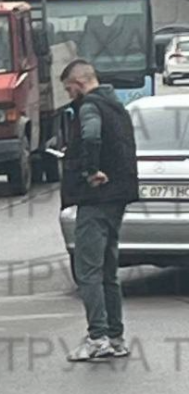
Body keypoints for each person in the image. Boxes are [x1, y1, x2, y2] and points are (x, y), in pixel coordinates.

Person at [59, 59, 138, 362]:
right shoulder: (116, 105)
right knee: (108, 271)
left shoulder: (89, 106)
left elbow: (91, 136)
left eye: (69, 89)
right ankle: (116, 337)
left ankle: (97, 337)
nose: (70, 95)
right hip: (118, 197)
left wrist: (91, 169)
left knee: (88, 271)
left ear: (79, 84)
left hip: (96, 199)